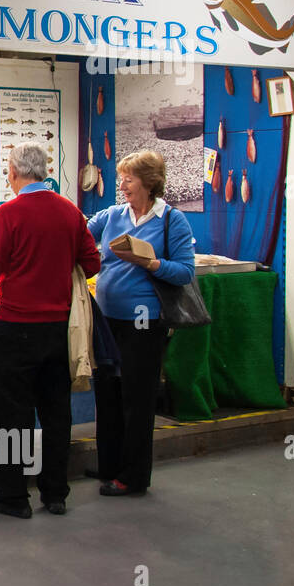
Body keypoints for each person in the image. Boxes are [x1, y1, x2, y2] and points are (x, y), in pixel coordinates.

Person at [0, 141, 101, 518]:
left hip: (16, 330)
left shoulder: (9, 214)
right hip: (58, 330)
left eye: (8, 170)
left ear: (16, 172)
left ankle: (14, 498)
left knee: (11, 416)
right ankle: (55, 494)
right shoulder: (70, 211)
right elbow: (92, 262)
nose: (8, 175)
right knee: (56, 413)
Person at [85, 150, 195, 497]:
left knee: (137, 397)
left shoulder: (171, 221)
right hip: (107, 320)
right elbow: (79, 233)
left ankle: (133, 476)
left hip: (143, 323)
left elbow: (185, 271)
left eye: (128, 178)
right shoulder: (113, 215)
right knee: (108, 395)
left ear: (148, 182)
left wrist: (150, 263)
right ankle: (110, 464)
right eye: (122, 178)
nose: (122, 185)